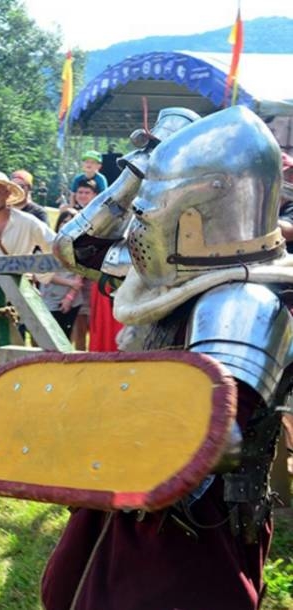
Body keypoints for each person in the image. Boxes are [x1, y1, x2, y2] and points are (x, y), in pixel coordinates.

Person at [46, 106, 285, 610]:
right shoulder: (172, 277)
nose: (142, 217)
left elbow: (215, 438)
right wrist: (140, 169)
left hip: (193, 523)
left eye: (157, 204)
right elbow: (78, 247)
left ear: (202, 215)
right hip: (132, 495)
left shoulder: (240, 301)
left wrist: (96, 426)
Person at [38, 210, 83, 338]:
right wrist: (71, 283)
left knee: (65, 337)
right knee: (48, 336)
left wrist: (70, 297)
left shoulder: (81, 247)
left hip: (71, 299)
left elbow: (81, 273)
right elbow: (43, 273)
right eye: (64, 221)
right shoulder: (48, 243)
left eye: (71, 222)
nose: (66, 225)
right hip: (50, 296)